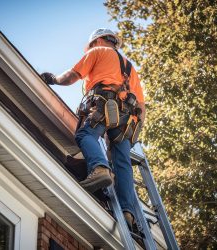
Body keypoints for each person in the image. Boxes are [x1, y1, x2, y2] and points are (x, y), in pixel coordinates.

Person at [41, 28, 145, 229]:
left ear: (97, 41)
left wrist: (53, 79)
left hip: (104, 104)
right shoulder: (131, 69)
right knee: (122, 161)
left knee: (85, 134)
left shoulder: (97, 52)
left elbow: (72, 76)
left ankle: (99, 169)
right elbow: (141, 107)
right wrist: (134, 132)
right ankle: (128, 212)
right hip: (127, 119)